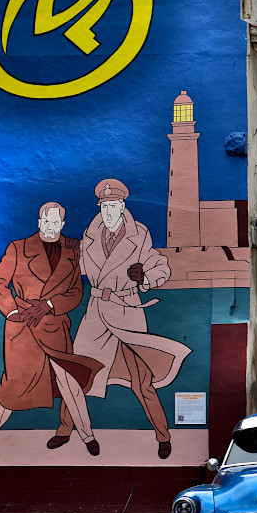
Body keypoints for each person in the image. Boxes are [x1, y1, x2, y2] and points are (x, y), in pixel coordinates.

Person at [55, 179, 190, 460]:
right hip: (96, 310)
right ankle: (65, 428)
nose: (108, 212)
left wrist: (146, 278)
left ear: (122, 206)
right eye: (104, 206)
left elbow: (158, 264)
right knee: (77, 373)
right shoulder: (89, 236)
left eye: (113, 206)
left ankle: (163, 435)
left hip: (127, 308)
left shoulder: (139, 234)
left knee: (142, 381)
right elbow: (73, 267)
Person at [0, 202, 104, 461]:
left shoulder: (73, 253)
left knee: (69, 382)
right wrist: (13, 311)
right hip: (23, 328)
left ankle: (87, 435)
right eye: (45, 221)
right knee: (13, 384)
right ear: (39, 222)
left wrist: (49, 305)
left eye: (55, 222)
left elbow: (75, 293)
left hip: (54, 326)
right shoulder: (18, 248)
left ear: (62, 224)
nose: (50, 227)